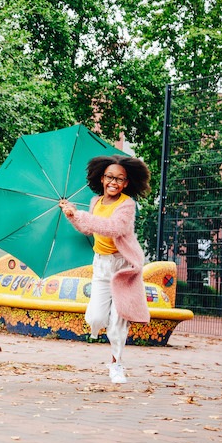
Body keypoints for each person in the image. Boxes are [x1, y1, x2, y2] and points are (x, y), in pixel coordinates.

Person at [59, 155, 151, 384]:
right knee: (96, 318)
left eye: (120, 179)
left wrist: (81, 215)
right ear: (102, 178)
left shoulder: (127, 205)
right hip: (101, 264)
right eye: (110, 177)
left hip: (122, 266)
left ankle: (116, 364)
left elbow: (113, 228)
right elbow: (88, 229)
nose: (114, 182)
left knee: (118, 321)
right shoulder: (95, 202)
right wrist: (71, 215)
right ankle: (106, 328)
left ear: (126, 183)